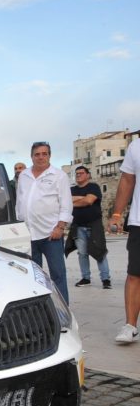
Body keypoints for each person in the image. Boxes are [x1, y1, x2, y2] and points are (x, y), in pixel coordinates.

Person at [16, 141, 73, 303]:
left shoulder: (59, 176)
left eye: (44, 154)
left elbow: (66, 204)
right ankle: (36, 312)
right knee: (31, 276)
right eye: (37, 154)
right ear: (31, 156)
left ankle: (63, 314)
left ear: (49, 155)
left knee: (58, 275)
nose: (41, 157)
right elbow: (19, 202)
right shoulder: (24, 176)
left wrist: (60, 227)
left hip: (50, 234)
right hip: (28, 234)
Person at [109, 137, 140, 343]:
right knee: (135, 274)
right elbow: (127, 180)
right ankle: (130, 326)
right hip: (139, 220)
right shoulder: (136, 146)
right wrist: (117, 214)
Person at [66, 166, 110, 289]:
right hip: (78, 227)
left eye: (81, 173)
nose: (78, 175)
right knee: (82, 253)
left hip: (94, 225)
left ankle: (105, 279)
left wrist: (77, 201)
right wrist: (83, 198)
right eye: (77, 173)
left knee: (99, 251)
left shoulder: (94, 187)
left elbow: (89, 201)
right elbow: (67, 201)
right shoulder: (71, 189)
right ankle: (86, 278)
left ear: (88, 175)